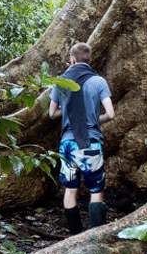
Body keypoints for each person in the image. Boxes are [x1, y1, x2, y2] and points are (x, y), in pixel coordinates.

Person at [48, 42, 115, 234]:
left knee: (70, 190)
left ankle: (75, 236)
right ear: (89, 59)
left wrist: (70, 111)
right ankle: (95, 237)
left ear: (72, 59)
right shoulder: (99, 81)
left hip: (68, 144)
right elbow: (110, 114)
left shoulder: (61, 82)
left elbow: (51, 114)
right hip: (91, 142)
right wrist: (93, 119)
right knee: (96, 190)